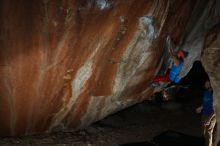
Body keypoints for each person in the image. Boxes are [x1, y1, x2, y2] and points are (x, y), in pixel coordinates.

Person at [196, 80, 216, 146]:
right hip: (204, 114)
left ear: (211, 84)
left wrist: (209, 118)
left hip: (211, 115)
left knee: (208, 132)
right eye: (205, 83)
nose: (205, 85)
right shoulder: (205, 92)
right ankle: (209, 144)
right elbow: (205, 103)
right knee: (204, 132)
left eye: (207, 84)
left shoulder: (215, 94)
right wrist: (200, 108)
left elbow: (216, 109)